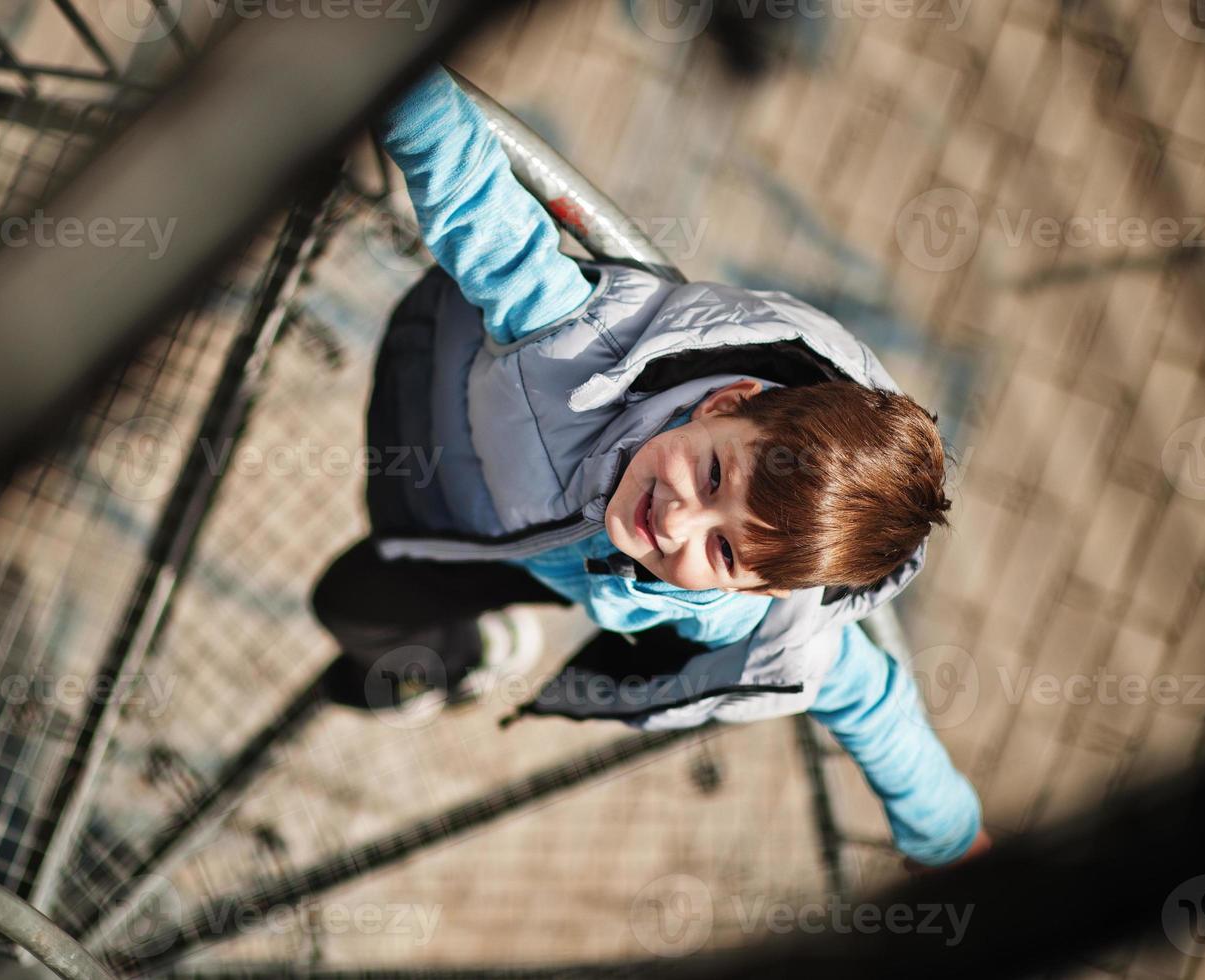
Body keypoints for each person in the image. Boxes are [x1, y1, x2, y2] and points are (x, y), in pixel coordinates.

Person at [311, 66, 989, 869]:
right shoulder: (571, 344)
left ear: (766, 590)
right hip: (443, 426)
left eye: (724, 551)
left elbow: (877, 706)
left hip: (529, 552)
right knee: (383, 548)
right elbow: (471, 201)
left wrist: (949, 840)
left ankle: (477, 652)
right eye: (710, 479)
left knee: (346, 603)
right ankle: (471, 635)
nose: (673, 522)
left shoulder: (760, 618)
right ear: (722, 404)